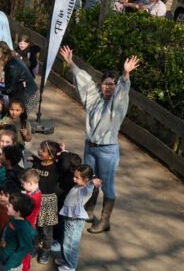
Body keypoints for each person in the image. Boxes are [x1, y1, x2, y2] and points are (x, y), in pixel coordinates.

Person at [59, 46, 139, 233]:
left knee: (107, 185)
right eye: (105, 83)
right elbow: (85, 83)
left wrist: (126, 75)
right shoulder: (94, 98)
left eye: (112, 84)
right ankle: (88, 210)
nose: (108, 87)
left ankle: (104, 221)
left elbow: (122, 91)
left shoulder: (118, 102)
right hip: (90, 147)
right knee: (90, 179)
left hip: (107, 150)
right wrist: (71, 63)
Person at [56, 164, 102, 271]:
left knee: (71, 243)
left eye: (77, 177)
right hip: (69, 219)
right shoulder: (78, 186)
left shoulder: (85, 189)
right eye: (74, 176)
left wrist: (92, 182)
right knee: (65, 241)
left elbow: (89, 187)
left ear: (86, 179)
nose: (74, 179)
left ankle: (71, 265)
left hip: (75, 221)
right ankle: (65, 259)